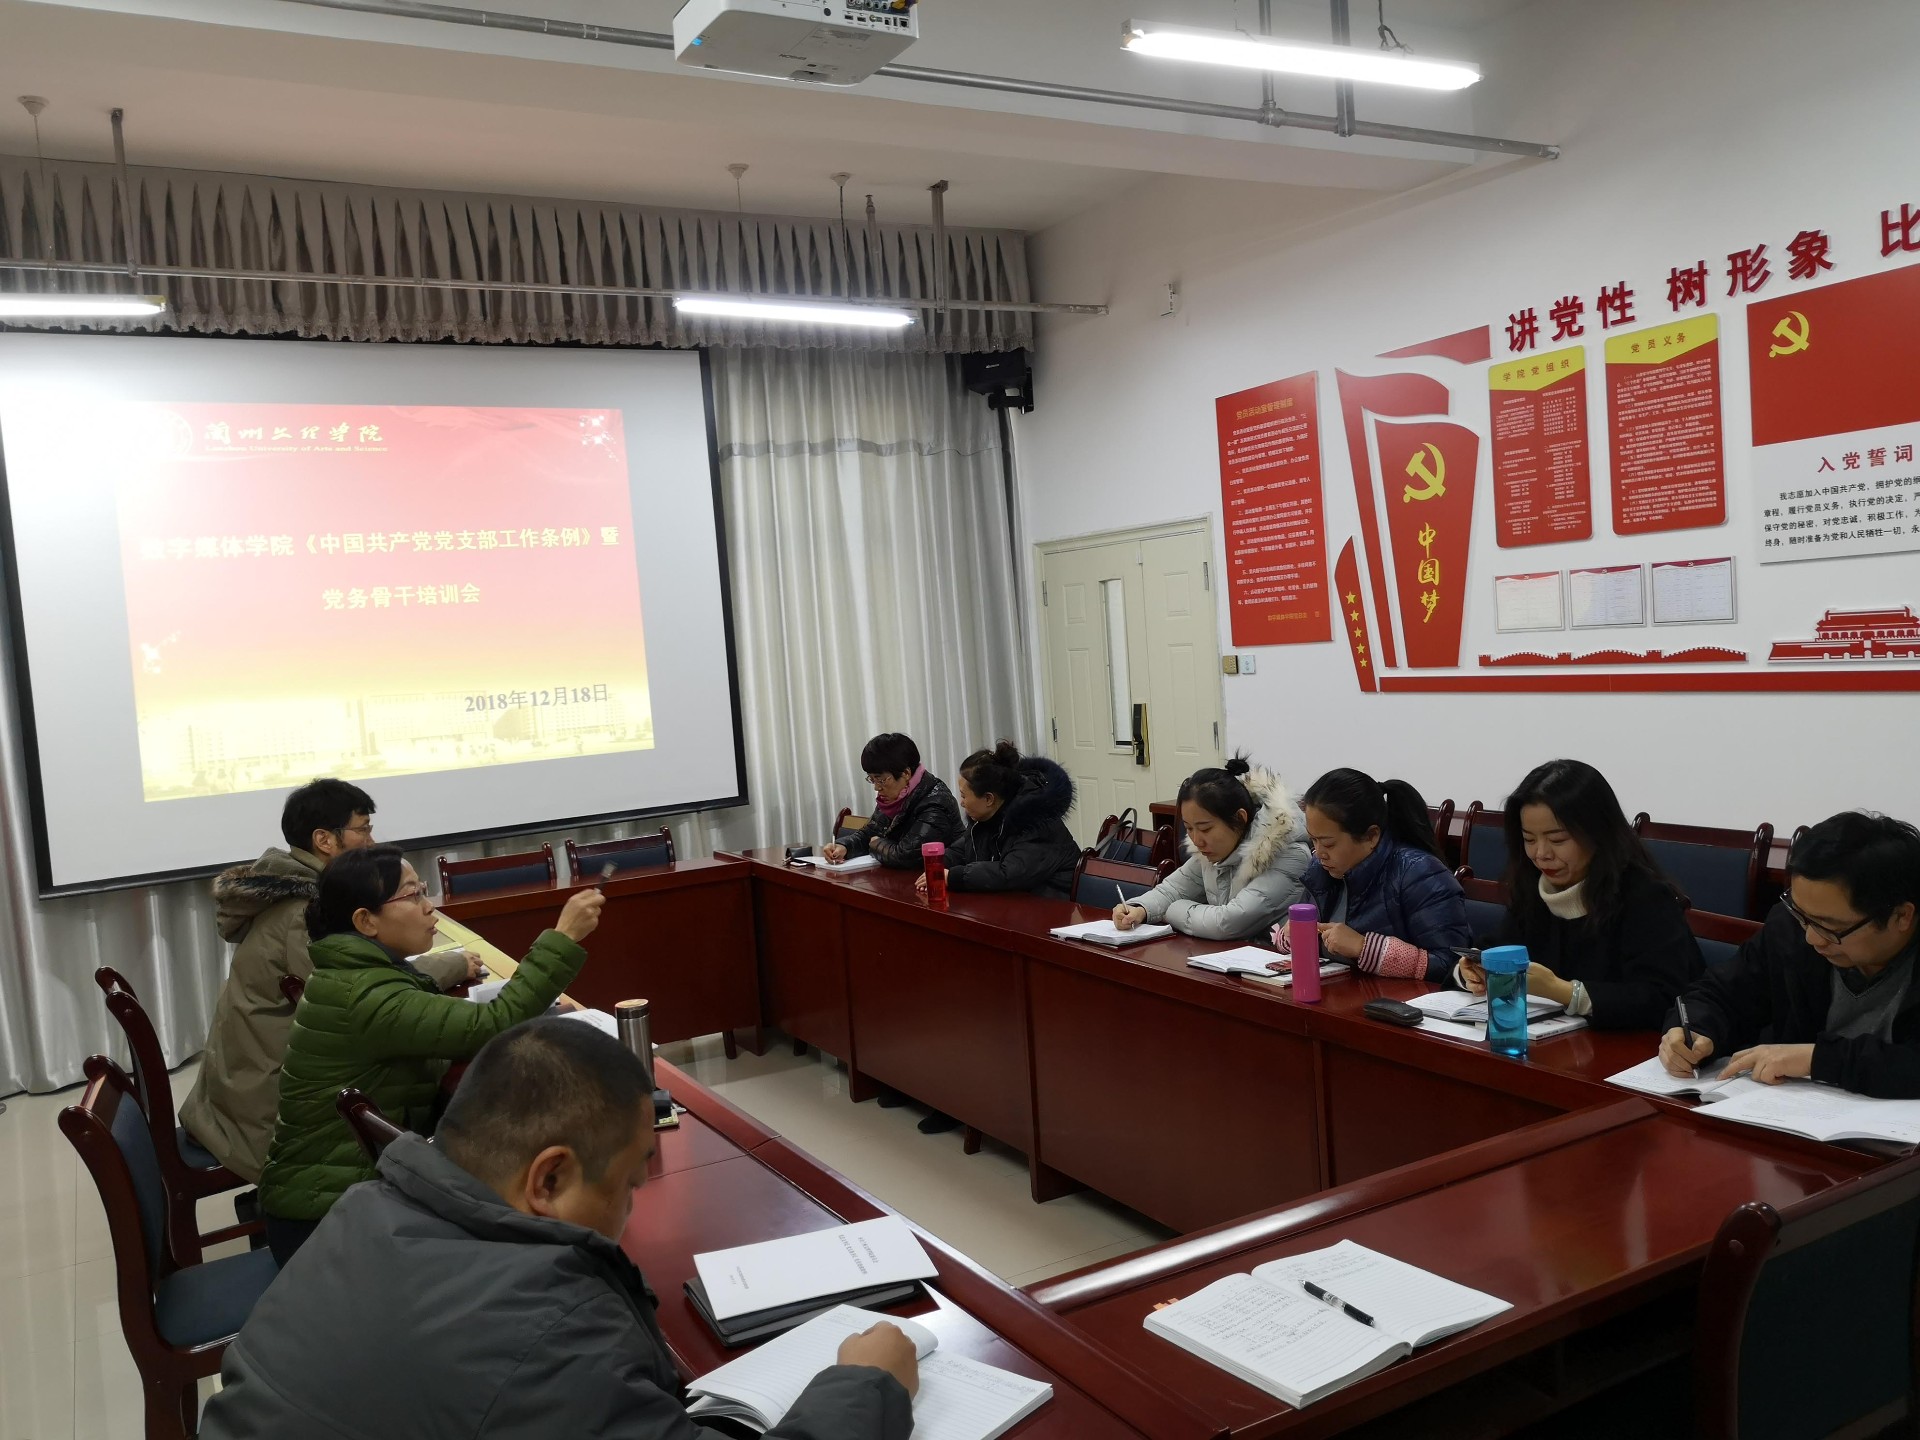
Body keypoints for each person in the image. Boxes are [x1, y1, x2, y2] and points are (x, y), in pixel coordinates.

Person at [200, 1018, 916, 1440]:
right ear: (547, 1179)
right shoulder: (551, 1336)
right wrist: (866, 1384)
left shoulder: (360, 1212)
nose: (630, 1209)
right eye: (630, 1184)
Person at [255, 844, 601, 1263]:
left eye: (423, 890)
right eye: (412, 895)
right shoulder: (363, 994)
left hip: (337, 1194)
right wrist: (563, 938)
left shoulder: (357, 974)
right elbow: (492, 1024)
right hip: (323, 1220)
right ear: (365, 921)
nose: (428, 906)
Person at [181, 779, 478, 1183]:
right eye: (363, 829)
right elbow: (358, 992)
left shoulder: (297, 894)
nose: (372, 842)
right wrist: (451, 966)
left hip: (242, 1090)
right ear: (324, 840)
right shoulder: (303, 913)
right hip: (267, 1117)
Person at [1660, 813, 1920, 1096]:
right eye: (1802, 916)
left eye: (1830, 927)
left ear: (1901, 916)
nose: (1811, 938)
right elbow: (1721, 993)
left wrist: (1817, 1059)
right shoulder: (1791, 928)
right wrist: (1695, 1030)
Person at [1459, 759, 1700, 1030]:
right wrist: (1470, 971)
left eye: (1557, 840)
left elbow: (1661, 999)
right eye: (1529, 839)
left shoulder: (1645, 897)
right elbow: (1496, 946)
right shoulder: (1533, 888)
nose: (1541, 854)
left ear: (1598, 833)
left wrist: (1563, 991)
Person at [1272, 768, 1469, 982]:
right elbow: (1304, 940)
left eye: (1328, 843)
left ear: (1371, 836)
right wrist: (1292, 936)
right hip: (1338, 993)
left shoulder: (1421, 873)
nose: (1319, 853)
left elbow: (1453, 966)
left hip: (1395, 1000)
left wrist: (1363, 947)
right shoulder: (1321, 868)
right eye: (1314, 840)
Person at [1112, 755, 1310, 941]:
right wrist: (1140, 909)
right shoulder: (1213, 851)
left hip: (1281, 962)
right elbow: (1173, 889)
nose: (1196, 840)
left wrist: (1169, 910)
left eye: (1205, 829)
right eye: (1189, 828)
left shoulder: (1288, 853)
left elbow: (1227, 923)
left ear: (1240, 818)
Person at [916, 741, 1079, 899]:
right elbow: (962, 850)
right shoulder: (987, 817)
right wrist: (937, 865)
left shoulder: (1037, 822)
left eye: (964, 795)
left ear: (988, 799)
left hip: (1055, 906)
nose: (961, 802)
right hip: (1016, 903)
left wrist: (953, 877)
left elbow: (1009, 874)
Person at [822, 732, 964, 869]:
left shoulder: (936, 801)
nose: (877, 787)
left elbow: (906, 856)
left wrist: (876, 844)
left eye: (881, 780)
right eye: (872, 779)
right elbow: (869, 834)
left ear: (906, 773)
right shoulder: (892, 799)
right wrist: (844, 846)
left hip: (939, 880)